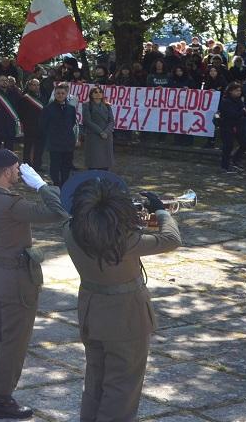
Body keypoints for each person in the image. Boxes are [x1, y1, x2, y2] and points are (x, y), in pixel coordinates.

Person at [64, 172, 180, 422]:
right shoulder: (125, 240)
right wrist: (162, 212)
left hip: (91, 312)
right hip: (127, 317)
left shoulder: (70, 231)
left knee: (95, 380)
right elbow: (172, 239)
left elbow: (98, 228)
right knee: (122, 387)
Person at [0, 149, 68, 419]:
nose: (19, 172)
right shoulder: (12, 204)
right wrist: (43, 186)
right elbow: (60, 212)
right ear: (8, 171)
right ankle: (0, 398)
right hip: (16, 281)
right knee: (13, 341)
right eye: (16, 168)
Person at [41, 83, 77, 186]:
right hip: (55, 142)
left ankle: (65, 183)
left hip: (68, 141)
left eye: (62, 93)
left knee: (66, 165)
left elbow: (72, 123)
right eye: (58, 93)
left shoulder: (71, 108)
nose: (60, 95)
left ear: (66, 94)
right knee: (55, 165)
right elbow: (43, 125)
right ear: (55, 94)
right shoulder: (48, 108)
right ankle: (56, 183)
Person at [218, 82, 246, 173]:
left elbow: (242, 111)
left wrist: (245, 111)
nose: (239, 92)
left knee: (244, 143)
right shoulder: (225, 101)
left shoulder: (239, 100)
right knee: (228, 146)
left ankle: (235, 159)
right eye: (236, 91)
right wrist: (242, 112)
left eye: (239, 91)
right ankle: (225, 166)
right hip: (227, 125)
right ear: (231, 91)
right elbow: (231, 114)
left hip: (238, 125)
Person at [81, 86, 114, 171]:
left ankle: (104, 179)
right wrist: (100, 132)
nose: (98, 94)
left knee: (105, 161)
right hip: (94, 136)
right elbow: (87, 121)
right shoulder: (87, 105)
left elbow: (111, 121)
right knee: (94, 160)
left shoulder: (107, 106)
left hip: (106, 136)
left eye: (100, 92)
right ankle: (93, 180)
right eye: (95, 92)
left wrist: (106, 132)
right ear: (91, 94)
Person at [17, 78, 46, 172]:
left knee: (40, 147)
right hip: (29, 126)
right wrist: (25, 124)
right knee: (28, 147)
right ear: (29, 86)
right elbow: (21, 113)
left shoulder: (43, 97)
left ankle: (37, 165)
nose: (36, 87)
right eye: (34, 84)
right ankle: (26, 166)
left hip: (41, 126)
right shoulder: (25, 98)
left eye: (37, 85)